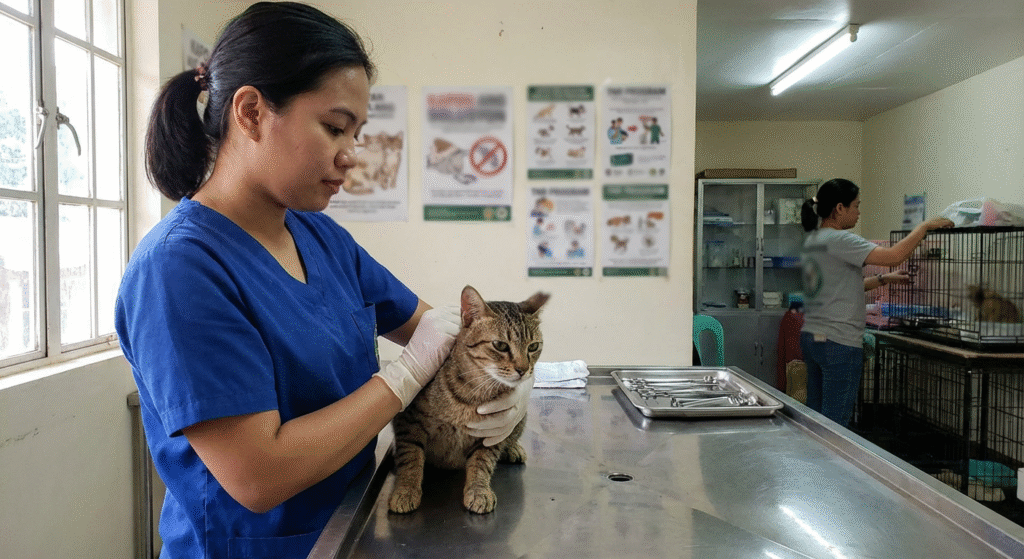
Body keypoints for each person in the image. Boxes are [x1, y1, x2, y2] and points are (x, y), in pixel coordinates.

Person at [114, 3, 530, 557]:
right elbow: (259, 477)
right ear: (252, 112)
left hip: (348, 531)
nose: (350, 155)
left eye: (356, 132)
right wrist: (403, 379)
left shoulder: (321, 239)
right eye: (334, 127)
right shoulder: (179, 271)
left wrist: (504, 390)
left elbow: (437, 331)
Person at [799, 178, 952, 426]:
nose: (859, 213)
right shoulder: (841, 240)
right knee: (834, 426)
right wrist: (924, 227)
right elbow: (894, 256)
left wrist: (882, 279)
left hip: (814, 338)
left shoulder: (814, 240)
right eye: (856, 206)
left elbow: (835, 289)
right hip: (838, 341)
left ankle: (811, 463)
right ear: (839, 208)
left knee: (815, 419)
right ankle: (830, 464)